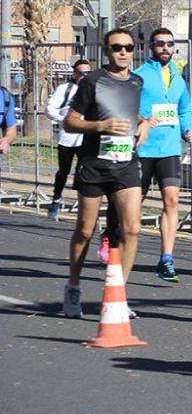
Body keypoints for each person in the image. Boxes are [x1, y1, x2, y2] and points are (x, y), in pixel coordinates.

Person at [62, 29, 149, 318]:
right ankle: (73, 286)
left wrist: (144, 123)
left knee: (132, 228)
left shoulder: (137, 81)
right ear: (106, 50)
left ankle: (118, 295)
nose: (123, 52)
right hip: (94, 164)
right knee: (85, 230)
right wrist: (101, 127)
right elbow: (70, 122)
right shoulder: (92, 81)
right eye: (116, 47)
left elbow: (129, 112)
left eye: (128, 47)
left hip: (125, 164)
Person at [133, 28, 192, 283]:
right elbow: (126, 106)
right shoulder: (139, 76)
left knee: (171, 201)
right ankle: (114, 234)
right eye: (160, 44)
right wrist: (142, 120)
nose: (166, 48)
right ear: (151, 47)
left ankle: (166, 259)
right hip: (143, 148)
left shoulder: (179, 79)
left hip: (169, 149)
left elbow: (184, 109)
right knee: (134, 204)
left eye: (170, 44)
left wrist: (188, 129)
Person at [45, 59, 91, 219]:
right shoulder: (65, 89)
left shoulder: (93, 89)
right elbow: (50, 109)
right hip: (67, 137)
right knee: (64, 170)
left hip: (85, 137)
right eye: (81, 73)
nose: (85, 76)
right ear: (74, 74)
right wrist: (63, 119)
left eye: (88, 73)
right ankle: (56, 199)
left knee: (83, 170)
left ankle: (82, 203)